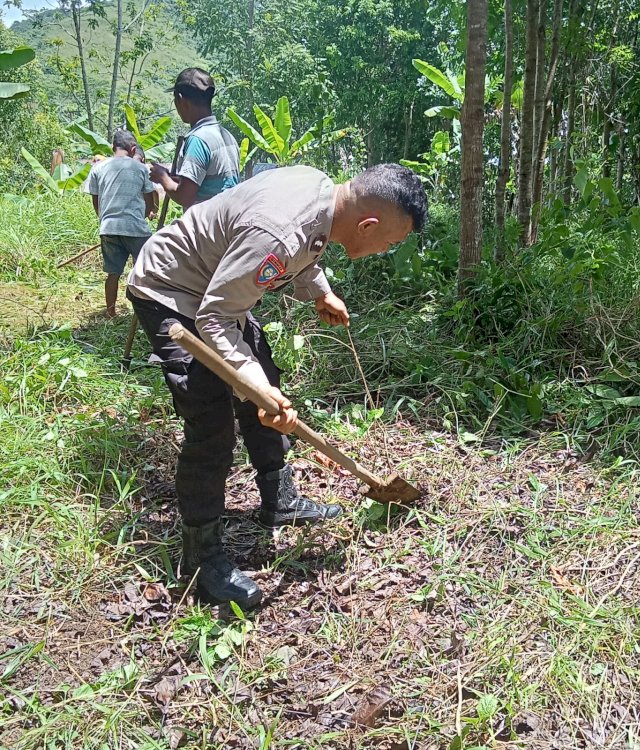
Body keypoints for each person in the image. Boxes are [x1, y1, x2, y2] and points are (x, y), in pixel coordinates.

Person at [126, 163, 428, 609]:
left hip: (217, 291)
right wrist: (251, 383)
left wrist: (319, 290)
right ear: (368, 225)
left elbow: (303, 248)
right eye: (391, 242)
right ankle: (200, 555)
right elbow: (215, 315)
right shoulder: (282, 232)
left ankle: (280, 500)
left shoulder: (326, 197)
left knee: (265, 385)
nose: (386, 250)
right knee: (211, 421)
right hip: (171, 290)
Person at [85, 129, 157, 318]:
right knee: (144, 270)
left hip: (108, 227)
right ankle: (143, 312)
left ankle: (110, 312)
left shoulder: (98, 168)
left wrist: (103, 219)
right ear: (133, 149)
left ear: (112, 147)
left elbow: (96, 200)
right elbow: (150, 198)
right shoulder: (141, 168)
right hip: (135, 228)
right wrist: (150, 211)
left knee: (113, 273)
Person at [149, 68, 239, 209]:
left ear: (181, 100)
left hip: (206, 224)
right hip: (226, 220)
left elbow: (184, 196)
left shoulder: (198, 140)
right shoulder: (226, 135)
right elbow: (209, 184)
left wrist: (162, 177)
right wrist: (173, 178)